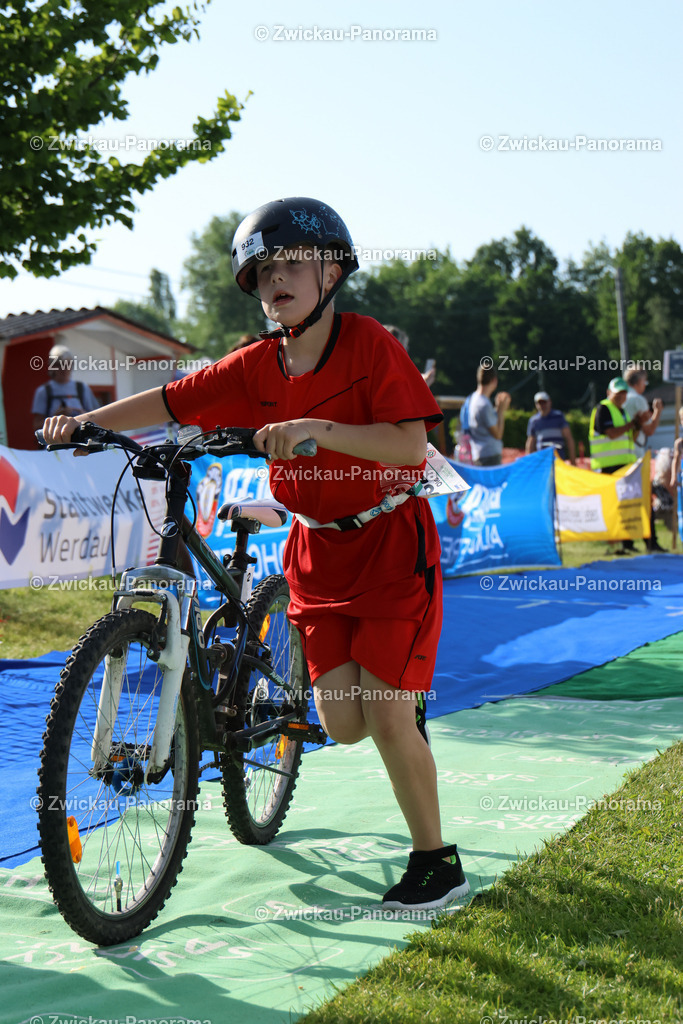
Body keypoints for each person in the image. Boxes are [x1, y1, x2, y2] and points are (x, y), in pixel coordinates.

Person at [40, 196, 470, 913]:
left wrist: (314, 428)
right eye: (264, 267)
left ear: (332, 272)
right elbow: (173, 402)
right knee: (342, 723)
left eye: (294, 262)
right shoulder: (256, 363)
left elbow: (407, 444)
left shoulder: (368, 345)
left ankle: (436, 863)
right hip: (315, 554)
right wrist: (84, 423)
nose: (277, 277)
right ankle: (393, 708)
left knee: (388, 714)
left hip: (391, 544)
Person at [589, 377, 646, 555]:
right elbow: (612, 434)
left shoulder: (623, 412)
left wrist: (637, 424)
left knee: (626, 505)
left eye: (623, 393)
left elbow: (630, 438)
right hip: (607, 466)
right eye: (617, 393)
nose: (621, 396)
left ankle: (627, 543)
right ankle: (614, 543)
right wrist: (631, 424)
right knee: (612, 505)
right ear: (609, 393)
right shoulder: (603, 409)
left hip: (623, 465)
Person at [623, 366, 665, 552]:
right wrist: (657, 411)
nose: (645, 386)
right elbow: (649, 430)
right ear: (638, 382)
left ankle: (627, 542)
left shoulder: (621, 399)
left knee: (627, 500)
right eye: (644, 382)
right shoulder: (637, 400)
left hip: (623, 454)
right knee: (645, 498)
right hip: (637, 454)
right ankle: (651, 541)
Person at [32, 344, 99, 432]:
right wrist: (56, 417)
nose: (64, 368)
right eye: (59, 364)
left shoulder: (82, 388)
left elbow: (96, 417)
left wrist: (81, 414)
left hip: (80, 443)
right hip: (55, 443)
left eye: (67, 364)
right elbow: (36, 425)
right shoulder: (43, 391)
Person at [467, 365, 510, 466]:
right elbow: (498, 435)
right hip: (489, 456)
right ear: (494, 380)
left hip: (478, 454)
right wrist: (500, 411)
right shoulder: (484, 404)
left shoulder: (473, 398)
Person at [525, 391, 576, 464]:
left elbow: (569, 438)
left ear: (549, 402)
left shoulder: (559, 417)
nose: (542, 405)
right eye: (540, 403)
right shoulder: (534, 421)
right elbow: (530, 442)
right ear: (536, 404)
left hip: (558, 459)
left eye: (544, 402)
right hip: (542, 461)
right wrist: (528, 462)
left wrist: (573, 461)